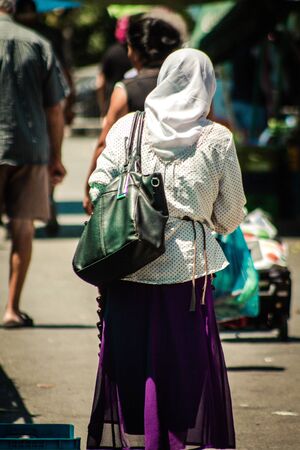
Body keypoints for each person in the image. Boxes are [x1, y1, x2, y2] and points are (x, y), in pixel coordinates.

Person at [86, 48, 246, 450]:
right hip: (188, 274)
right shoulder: (217, 138)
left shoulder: (128, 127)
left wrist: (128, 209)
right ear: (207, 86)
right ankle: (174, 441)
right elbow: (229, 215)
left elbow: (97, 184)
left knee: (131, 364)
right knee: (183, 367)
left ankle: (137, 440)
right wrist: (192, 213)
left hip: (126, 264)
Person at [0, 0, 68, 328]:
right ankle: (12, 309)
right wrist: (56, 156)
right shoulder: (38, 43)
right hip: (30, 148)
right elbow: (55, 108)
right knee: (23, 227)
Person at [83, 15, 183, 215]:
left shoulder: (126, 90)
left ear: (137, 52)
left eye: (129, 47)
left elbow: (105, 143)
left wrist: (90, 186)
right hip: (181, 183)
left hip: (138, 190)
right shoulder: (189, 88)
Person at [14, 0, 75, 236]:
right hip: (46, 108)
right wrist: (69, 104)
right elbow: (66, 73)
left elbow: (65, 72)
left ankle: (24, 211)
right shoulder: (49, 35)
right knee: (48, 160)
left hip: (25, 110)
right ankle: (47, 206)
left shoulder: (40, 35)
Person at [96, 15, 132, 118]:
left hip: (112, 107)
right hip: (133, 108)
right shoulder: (139, 53)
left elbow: (99, 84)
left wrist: (103, 108)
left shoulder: (110, 52)